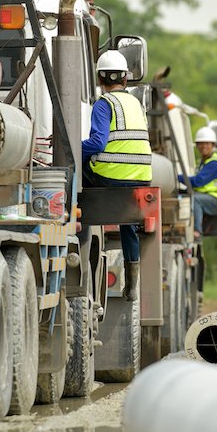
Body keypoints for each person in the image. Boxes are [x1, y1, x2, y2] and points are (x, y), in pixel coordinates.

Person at [81, 50, 152, 301]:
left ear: (100, 79)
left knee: (76, 167)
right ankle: (132, 286)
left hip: (112, 175)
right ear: (125, 79)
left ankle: (74, 225)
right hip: (141, 177)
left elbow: (98, 144)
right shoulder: (136, 103)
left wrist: (71, 146)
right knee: (128, 225)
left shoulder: (104, 104)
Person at [180, 126, 217, 241]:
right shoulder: (202, 162)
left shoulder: (214, 164)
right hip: (211, 197)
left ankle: (197, 232)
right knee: (185, 196)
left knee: (195, 199)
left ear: (213, 145)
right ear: (197, 145)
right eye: (201, 143)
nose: (204, 146)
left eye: (207, 143)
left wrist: (177, 177)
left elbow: (197, 182)